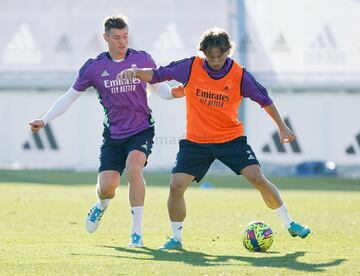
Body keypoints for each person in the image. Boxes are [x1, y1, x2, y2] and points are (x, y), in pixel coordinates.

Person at [117, 27, 311, 250]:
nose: (216, 61)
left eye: (220, 56)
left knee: (257, 178)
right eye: (211, 56)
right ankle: (176, 239)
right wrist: (135, 72)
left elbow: (265, 100)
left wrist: (282, 127)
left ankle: (290, 223)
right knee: (176, 186)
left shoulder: (239, 75)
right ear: (203, 53)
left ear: (228, 52)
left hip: (230, 139)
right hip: (196, 142)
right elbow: (159, 74)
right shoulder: (190, 67)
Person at [29, 15, 183, 248]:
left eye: (125, 36)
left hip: (142, 129)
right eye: (117, 37)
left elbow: (161, 90)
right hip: (113, 136)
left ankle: (137, 235)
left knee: (133, 171)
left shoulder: (142, 59)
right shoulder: (94, 67)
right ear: (106, 38)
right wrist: (44, 119)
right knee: (107, 188)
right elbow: (70, 97)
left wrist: (174, 93)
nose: (122, 42)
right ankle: (101, 205)